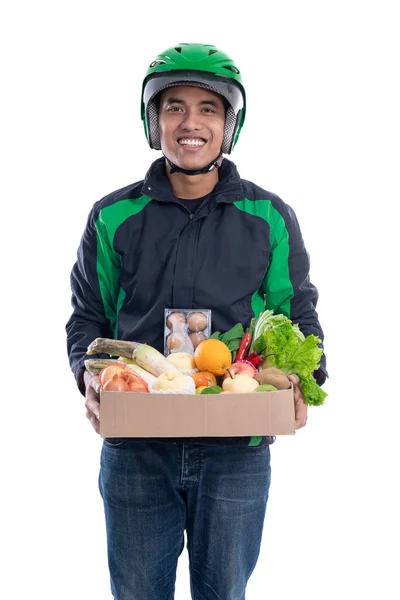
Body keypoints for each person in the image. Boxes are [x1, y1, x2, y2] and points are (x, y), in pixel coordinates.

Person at [66, 42, 327, 600]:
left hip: (237, 444)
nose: (191, 123)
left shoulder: (268, 216)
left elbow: (297, 311)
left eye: (209, 108)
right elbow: (88, 315)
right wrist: (87, 375)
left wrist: (307, 378)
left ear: (230, 124)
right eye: (174, 106)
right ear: (152, 120)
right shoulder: (114, 216)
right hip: (138, 443)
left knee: (224, 593)